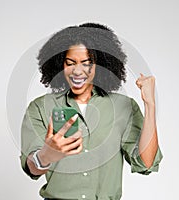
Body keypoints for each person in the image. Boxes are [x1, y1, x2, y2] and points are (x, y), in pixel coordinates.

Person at [20, 22, 163, 200]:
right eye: (70, 63)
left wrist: (150, 105)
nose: (78, 71)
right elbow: (31, 168)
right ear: (60, 65)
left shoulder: (123, 107)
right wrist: (46, 156)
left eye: (87, 63)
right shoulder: (40, 107)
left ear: (100, 65)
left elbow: (146, 163)